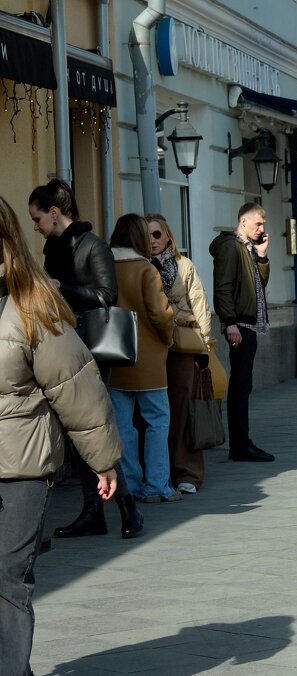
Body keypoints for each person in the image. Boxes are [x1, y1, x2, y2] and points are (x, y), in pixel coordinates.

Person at [0, 194, 123, 676]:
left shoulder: (31, 307)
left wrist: (102, 459)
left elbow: (75, 387)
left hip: (22, 466)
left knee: (7, 574)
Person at [30, 179, 143, 540]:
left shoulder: (94, 246)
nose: (35, 226)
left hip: (92, 346)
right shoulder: (52, 248)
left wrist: (65, 288)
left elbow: (107, 294)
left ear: (54, 213)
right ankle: (95, 510)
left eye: (37, 218)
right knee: (80, 431)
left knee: (91, 426)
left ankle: (126, 508)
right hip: (63, 343)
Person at [109, 214, 178, 503]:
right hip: (148, 356)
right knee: (157, 422)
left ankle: (131, 486)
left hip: (114, 354)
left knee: (123, 426)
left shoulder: (106, 267)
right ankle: (157, 485)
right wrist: (168, 338)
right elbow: (161, 314)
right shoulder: (146, 270)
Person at [147, 214, 212, 494]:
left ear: (168, 235)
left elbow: (200, 304)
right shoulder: (141, 267)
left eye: (157, 234)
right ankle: (159, 473)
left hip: (184, 343)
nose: (152, 241)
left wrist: (206, 345)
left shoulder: (184, 265)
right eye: (147, 235)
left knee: (185, 408)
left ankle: (188, 473)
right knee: (155, 412)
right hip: (152, 345)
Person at [210, 203, 272, 462]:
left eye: (263, 225)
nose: (261, 229)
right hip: (240, 324)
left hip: (247, 323)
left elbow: (258, 283)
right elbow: (222, 287)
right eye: (257, 224)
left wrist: (262, 256)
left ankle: (242, 442)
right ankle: (240, 445)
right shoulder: (230, 247)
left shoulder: (247, 249)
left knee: (243, 383)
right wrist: (229, 322)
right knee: (239, 384)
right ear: (243, 221)